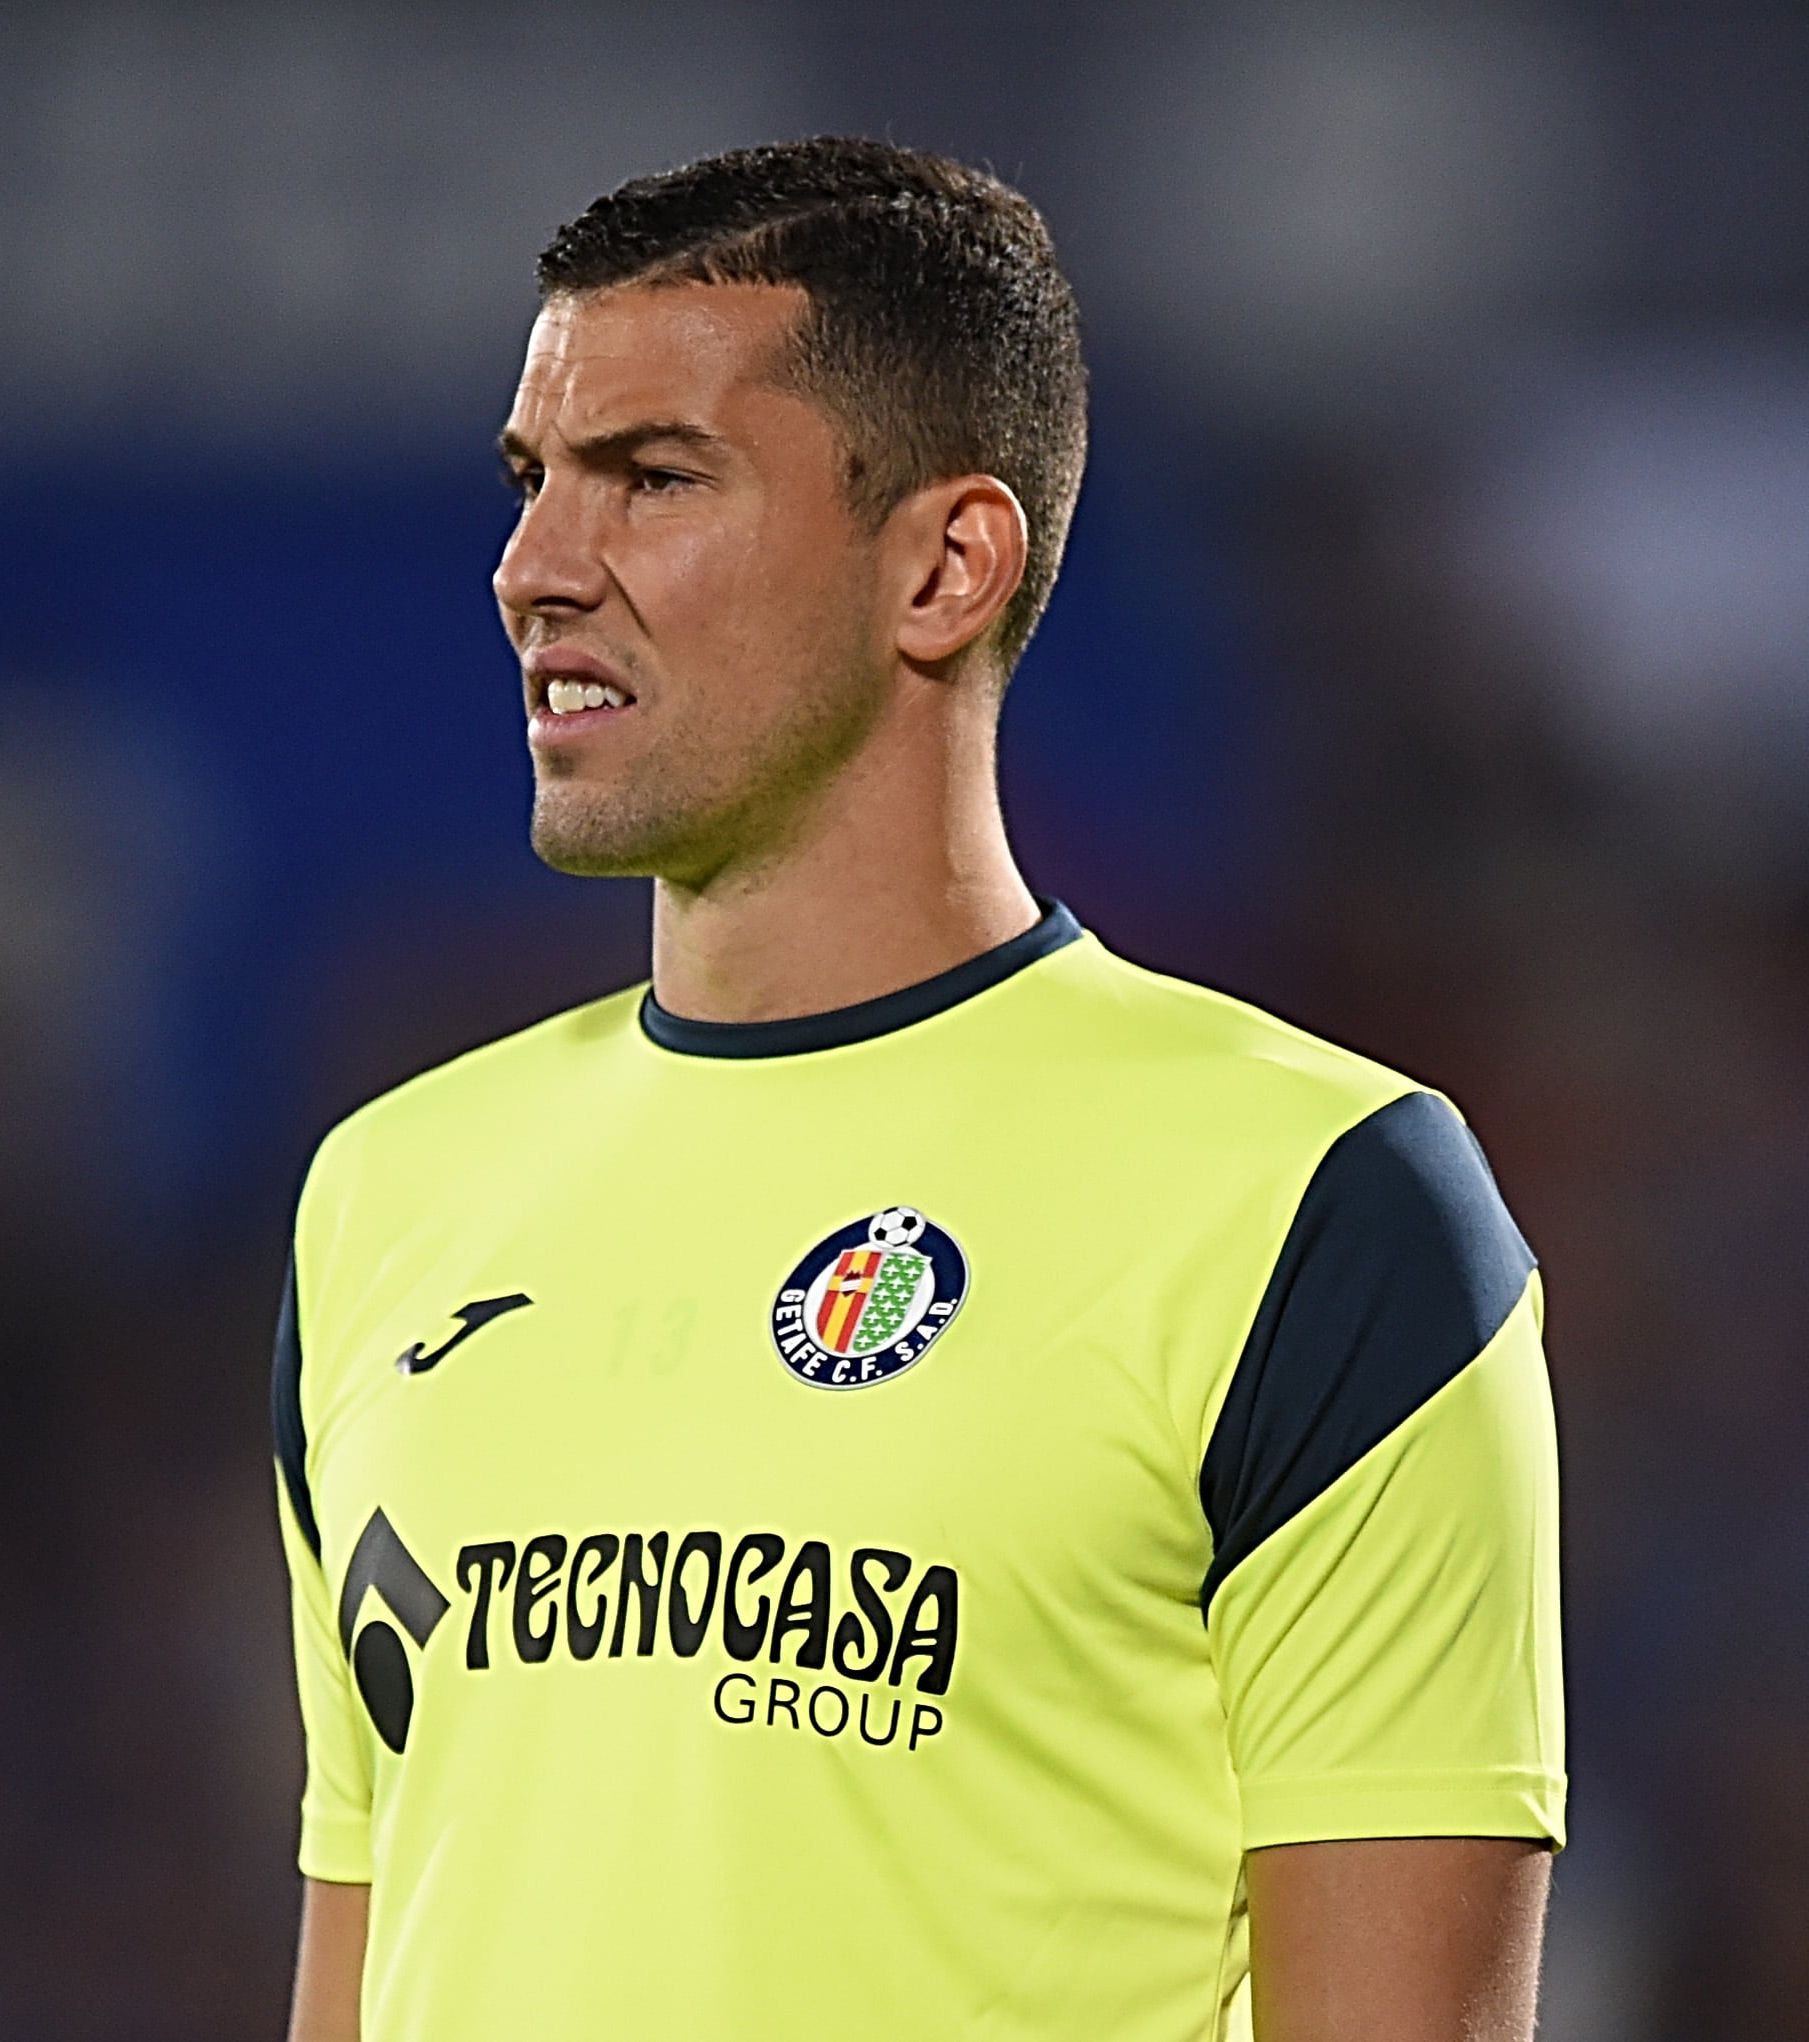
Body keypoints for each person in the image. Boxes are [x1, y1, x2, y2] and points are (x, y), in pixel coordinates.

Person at [273, 137, 1561, 2042]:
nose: (535, 569)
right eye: (534, 481)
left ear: (946, 565)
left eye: (653, 478)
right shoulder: (389, 1195)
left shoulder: (1319, 1206)